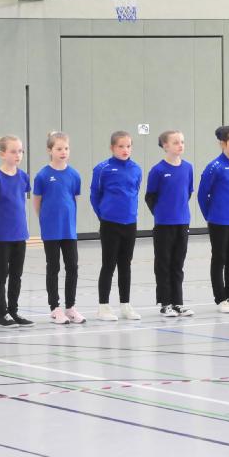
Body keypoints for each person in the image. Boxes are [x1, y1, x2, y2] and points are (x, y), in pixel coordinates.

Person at [90, 130, 142, 321]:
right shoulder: (102, 169)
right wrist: (104, 215)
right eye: (120, 146)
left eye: (128, 146)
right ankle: (103, 306)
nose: (125, 150)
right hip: (110, 224)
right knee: (109, 264)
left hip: (130, 223)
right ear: (112, 147)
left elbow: (135, 191)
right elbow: (95, 195)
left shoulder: (136, 169)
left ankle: (125, 305)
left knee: (125, 265)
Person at [34, 131, 84, 325]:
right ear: (50, 150)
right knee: (53, 267)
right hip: (51, 230)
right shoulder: (43, 175)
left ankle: (70, 307)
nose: (63, 152)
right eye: (59, 149)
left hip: (68, 230)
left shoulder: (74, 174)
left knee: (72, 267)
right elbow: (37, 202)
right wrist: (45, 220)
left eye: (66, 148)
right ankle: (55, 308)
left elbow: (74, 200)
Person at [0, 135, 34, 328]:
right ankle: (2, 314)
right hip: (3, 235)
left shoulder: (23, 177)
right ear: (3, 154)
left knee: (16, 274)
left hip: (20, 233)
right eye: (13, 151)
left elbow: (20, 202)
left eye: (20, 151)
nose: (18, 155)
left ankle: (13, 310)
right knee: (1, 274)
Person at [145, 130, 194, 317]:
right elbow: (150, 197)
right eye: (175, 142)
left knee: (178, 264)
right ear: (165, 146)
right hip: (164, 224)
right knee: (163, 264)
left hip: (182, 222)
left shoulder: (187, 167)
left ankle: (178, 302)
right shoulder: (158, 170)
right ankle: (165, 303)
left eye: (182, 141)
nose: (180, 145)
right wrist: (161, 213)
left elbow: (188, 193)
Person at [198, 126, 229, 314]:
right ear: (223, 144)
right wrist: (210, 215)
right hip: (218, 221)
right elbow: (202, 195)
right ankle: (220, 298)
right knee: (219, 259)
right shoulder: (214, 167)